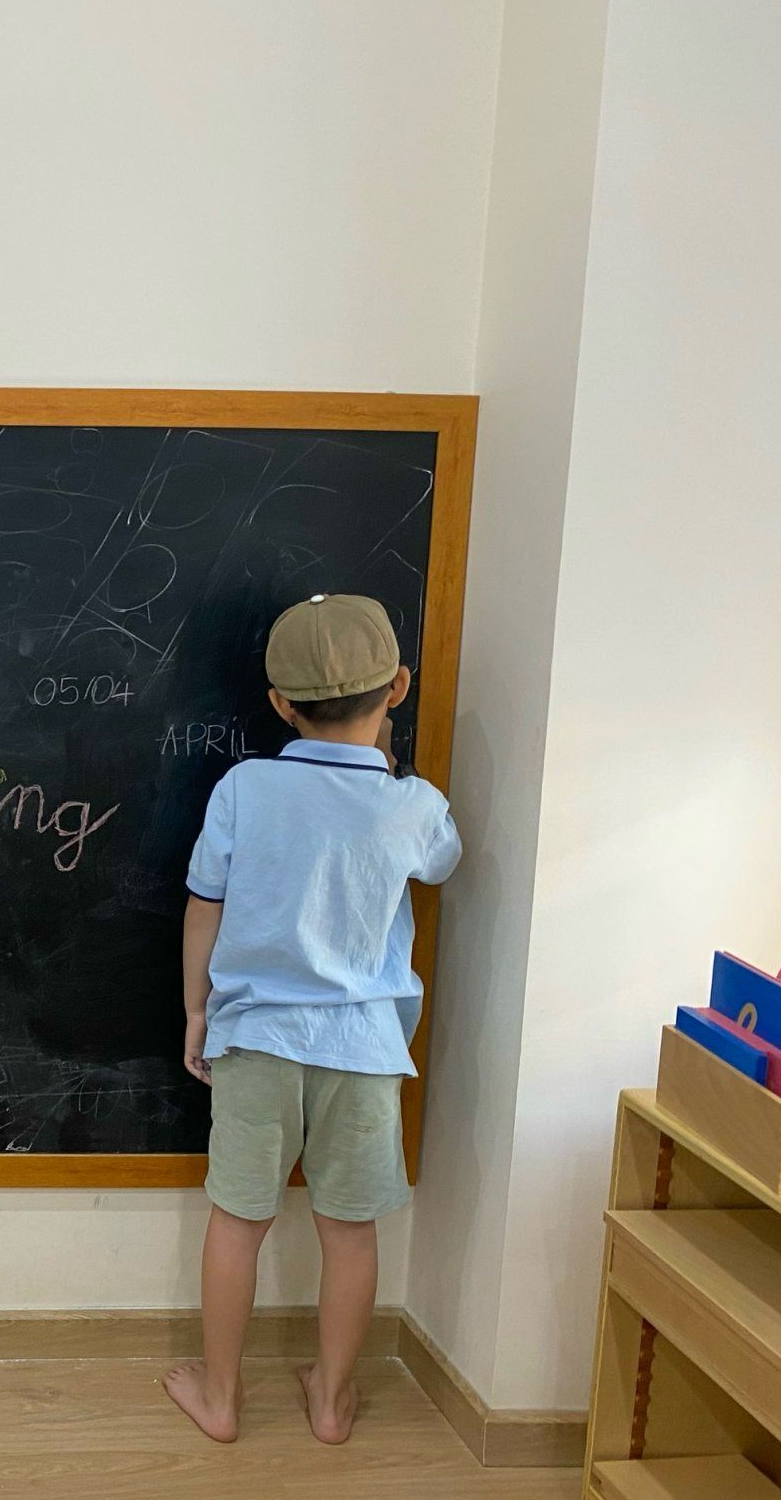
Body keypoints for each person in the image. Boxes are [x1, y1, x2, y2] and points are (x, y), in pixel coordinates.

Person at [162, 593, 461, 1446]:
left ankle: (222, 1398)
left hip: (256, 1038)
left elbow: (204, 907)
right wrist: (389, 772)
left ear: (280, 704)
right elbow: (443, 862)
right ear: (398, 687)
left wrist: (196, 1013)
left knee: (237, 1220)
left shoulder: (244, 788)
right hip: (364, 1048)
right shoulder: (413, 806)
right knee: (350, 1230)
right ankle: (330, 1401)